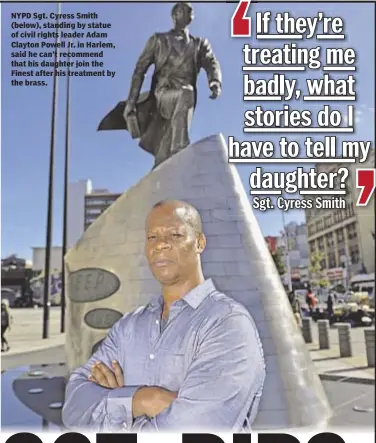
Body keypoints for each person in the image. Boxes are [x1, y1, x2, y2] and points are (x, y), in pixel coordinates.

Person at [62, 200, 265, 432]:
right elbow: (74, 406)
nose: (160, 245)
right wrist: (147, 398)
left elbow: (197, 428)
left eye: (175, 235)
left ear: (199, 243)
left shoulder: (228, 322)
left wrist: (117, 406)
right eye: (152, 237)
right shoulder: (127, 327)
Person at [98, 2, 222, 168]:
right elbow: (139, 70)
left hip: (185, 102)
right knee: (186, 93)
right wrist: (131, 101)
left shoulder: (198, 44)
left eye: (190, 9)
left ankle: (164, 165)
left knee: (165, 148)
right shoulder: (158, 40)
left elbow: (211, 62)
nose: (189, 11)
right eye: (184, 8)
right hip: (163, 95)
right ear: (175, 14)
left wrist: (214, 81)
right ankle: (180, 151)